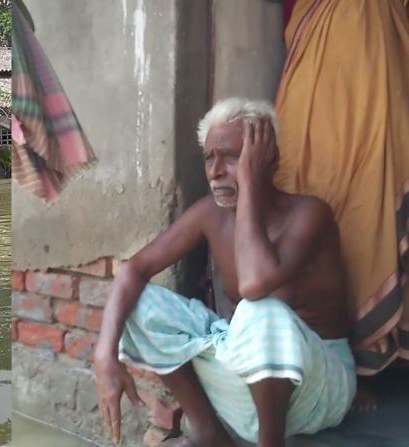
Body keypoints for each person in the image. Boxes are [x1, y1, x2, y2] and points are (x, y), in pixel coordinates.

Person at [94, 98, 355, 447]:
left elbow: (254, 283)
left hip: (319, 389)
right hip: (245, 385)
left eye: (232, 157)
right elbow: (135, 269)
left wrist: (248, 185)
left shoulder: (309, 214)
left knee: (260, 307)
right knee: (138, 302)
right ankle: (209, 433)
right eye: (209, 157)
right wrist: (104, 355)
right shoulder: (209, 214)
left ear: (266, 160)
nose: (216, 170)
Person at [275, 0, 409, 405]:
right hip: (323, 45)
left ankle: (372, 356)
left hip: (378, 46)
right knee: (317, 184)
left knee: (375, 186)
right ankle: (333, 358)